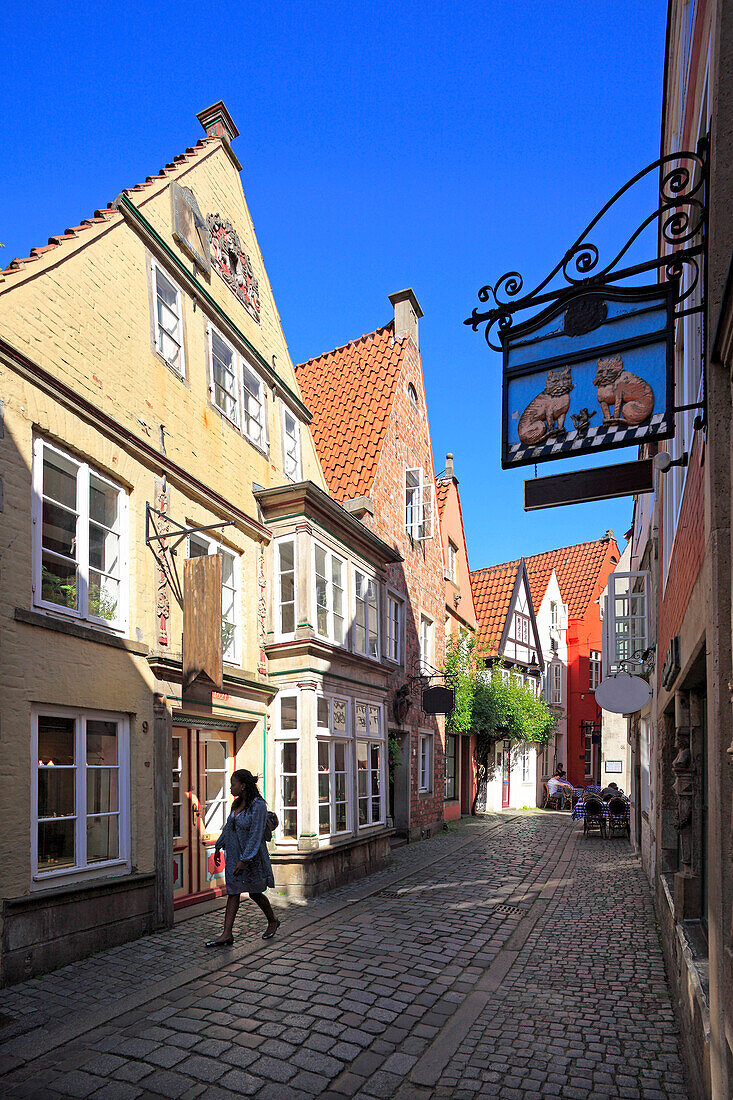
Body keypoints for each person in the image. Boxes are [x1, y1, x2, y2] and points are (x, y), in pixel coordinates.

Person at [205, 769, 280, 947]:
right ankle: (226, 934)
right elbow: (228, 828)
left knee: (255, 892)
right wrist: (217, 847)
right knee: (233, 893)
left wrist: (245, 860)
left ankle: (273, 920)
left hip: (251, 859)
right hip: (233, 855)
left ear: (243, 785)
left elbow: (255, 835)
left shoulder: (258, 806)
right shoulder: (236, 804)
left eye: (233, 784)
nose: (230, 788)